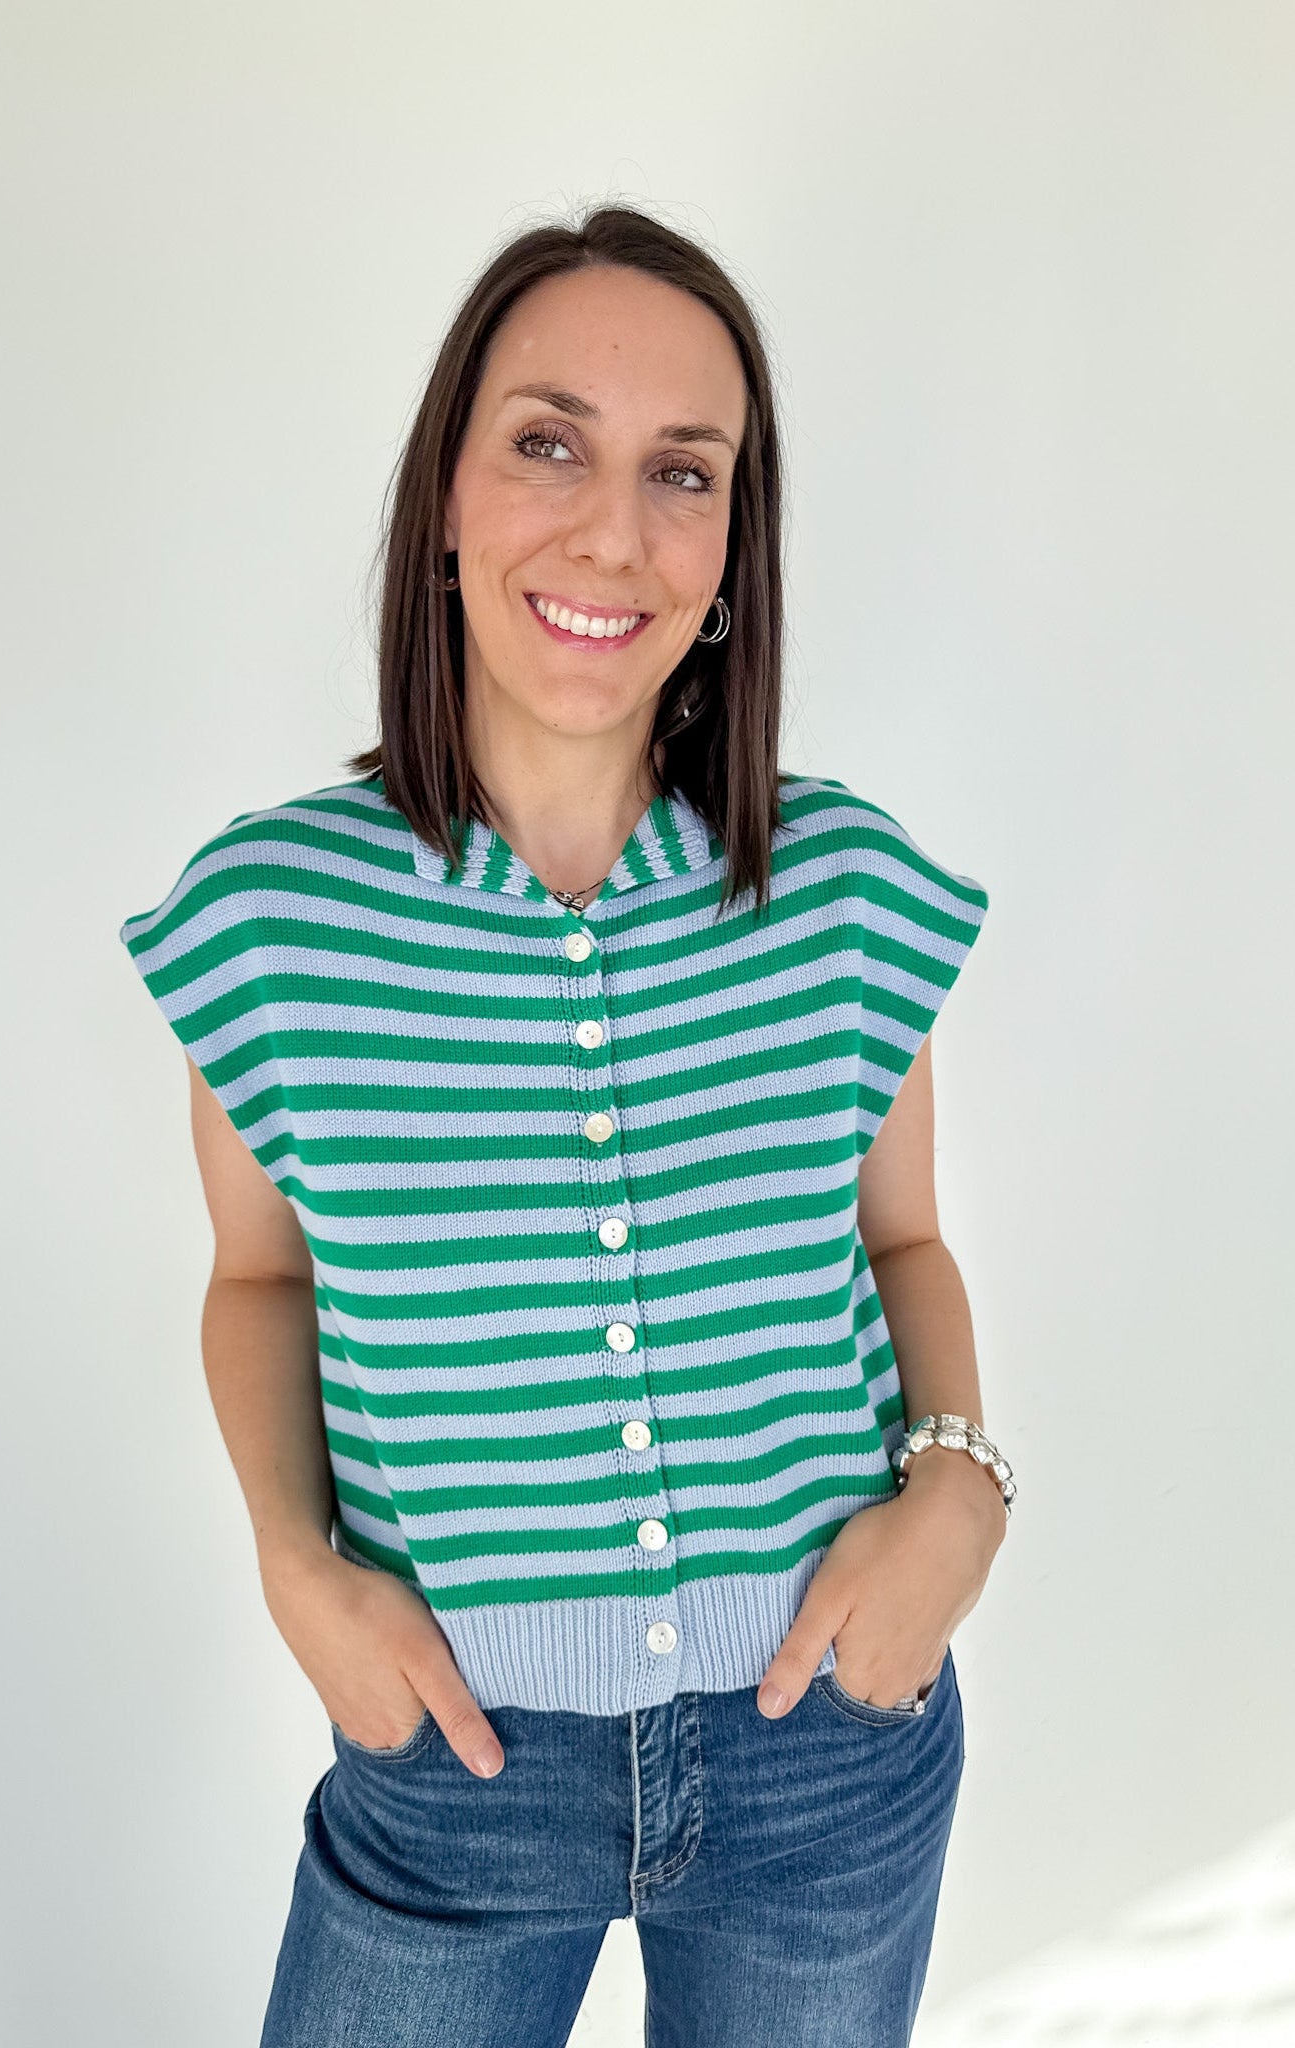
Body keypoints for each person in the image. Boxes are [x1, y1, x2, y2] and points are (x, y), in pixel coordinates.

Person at [118, 203, 1013, 2048]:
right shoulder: (268, 923)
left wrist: (954, 1489)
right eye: (548, 443)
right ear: (442, 497)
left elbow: (901, 1244)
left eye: (683, 473)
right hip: (452, 1756)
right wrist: (297, 1567)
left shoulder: (836, 888)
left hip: (827, 1743)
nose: (615, 529)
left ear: (731, 547)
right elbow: (256, 1281)